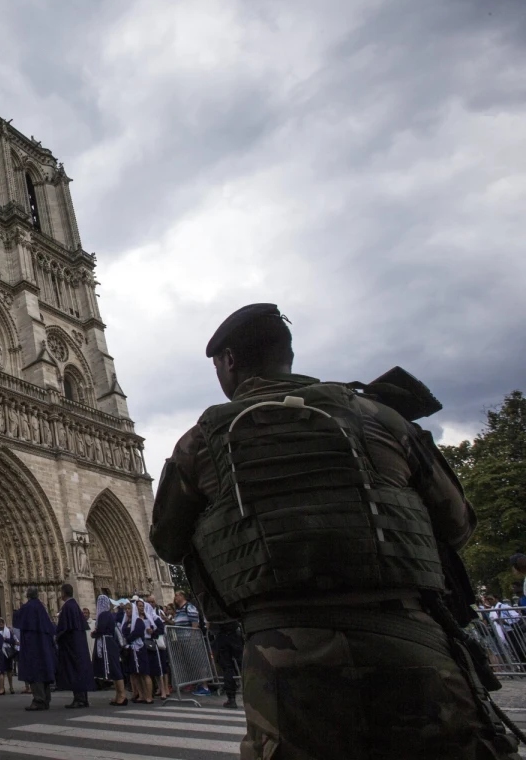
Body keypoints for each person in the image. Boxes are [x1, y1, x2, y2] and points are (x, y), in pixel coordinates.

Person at [151, 302, 520, 759]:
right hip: (411, 642)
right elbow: (458, 524)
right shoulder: (380, 417)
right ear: (287, 353)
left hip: (285, 656)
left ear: (228, 362)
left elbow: (167, 541)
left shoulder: (201, 441)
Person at [16, 587, 57, 711]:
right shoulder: (42, 607)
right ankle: (46, 699)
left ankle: (38, 700)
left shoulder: (27, 607)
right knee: (44, 670)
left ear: (27, 595)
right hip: (43, 646)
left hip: (33, 646)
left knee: (35, 671)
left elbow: (18, 622)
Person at [55, 583, 94, 709]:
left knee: (75, 670)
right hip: (79, 644)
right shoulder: (75, 606)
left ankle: (79, 699)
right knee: (80, 669)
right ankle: (83, 698)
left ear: (63, 593)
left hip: (72, 646)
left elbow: (65, 627)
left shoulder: (67, 607)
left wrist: (57, 637)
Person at [92, 605, 128, 706]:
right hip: (109, 642)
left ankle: (122, 695)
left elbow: (101, 629)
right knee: (113, 669)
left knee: (115, 668)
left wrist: (94, 633)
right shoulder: (108, 614)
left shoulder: (104, 615)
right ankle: (118, 695)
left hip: (107, 644)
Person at [121, 599, 154, 703]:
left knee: (144, 673)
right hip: (131, 649)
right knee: (135, 673)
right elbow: (124, 632)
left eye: (129, 608)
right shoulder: (126, 622)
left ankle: (149, 696)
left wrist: (128, 638)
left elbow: (138, 633)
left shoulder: (138, 621)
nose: (127, 611)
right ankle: (141, 694)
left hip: (139, 649)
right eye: (126, 609)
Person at [209, 618, 243, 709]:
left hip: (222, 634)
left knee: (227, 668)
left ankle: (231, 698)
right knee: (242, 664)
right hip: (233, 632)